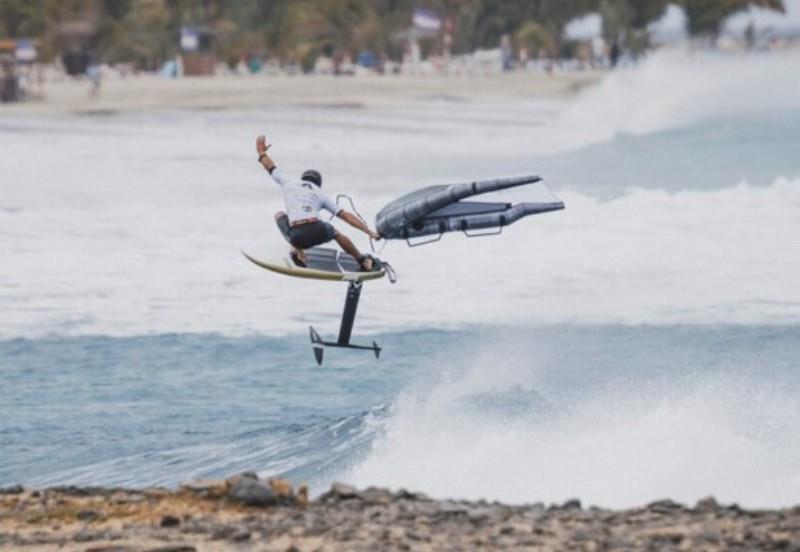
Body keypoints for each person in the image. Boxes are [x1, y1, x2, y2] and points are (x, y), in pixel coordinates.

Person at [255, 135, 380, 271]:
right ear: (318, 184)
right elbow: (347, 217)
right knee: (336, 233)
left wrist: (261, 152)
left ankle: (298, 252)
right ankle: (362, 260)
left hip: (297, 236)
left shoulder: (289, 182)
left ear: (303, 178)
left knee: (279, 215)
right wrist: (369, 232)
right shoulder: (321, 194)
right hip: (317, 229)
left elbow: (270, 166)